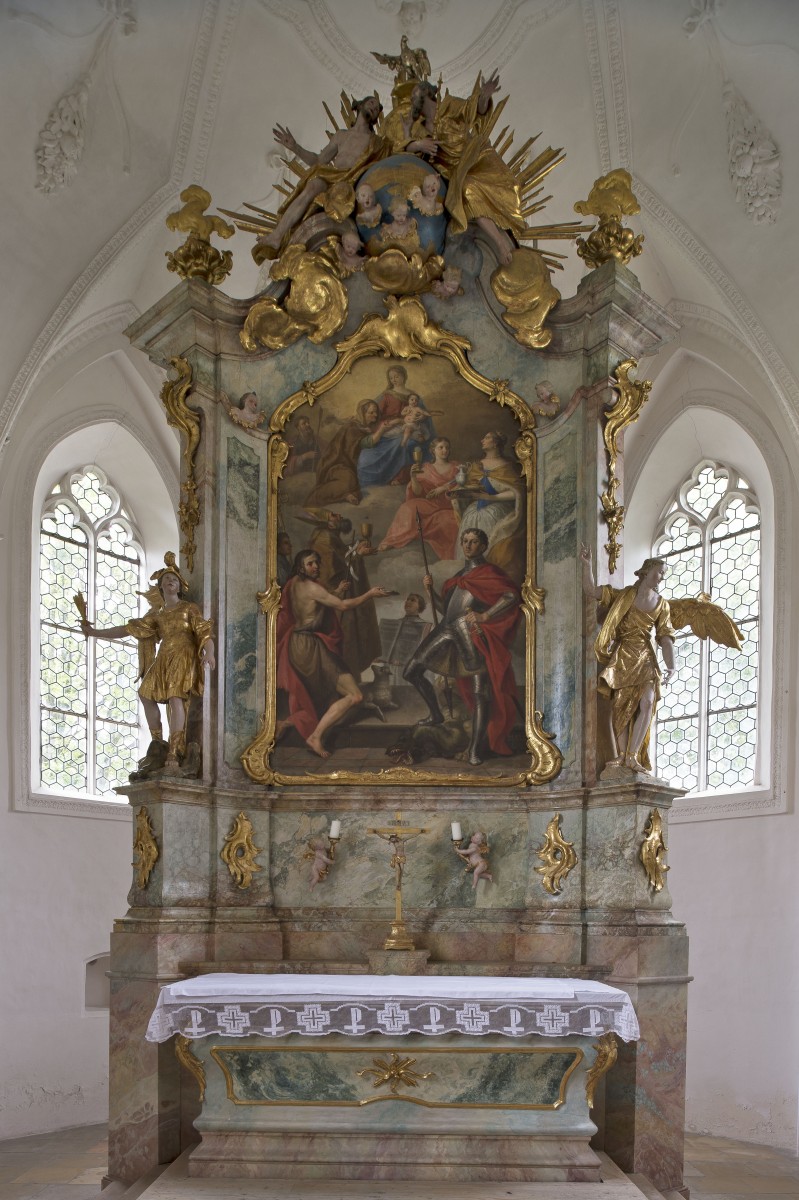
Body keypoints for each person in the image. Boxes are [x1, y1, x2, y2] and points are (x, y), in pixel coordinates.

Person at [80, 552, 215, 768]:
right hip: (164, 655)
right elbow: (128, 629)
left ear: (180, 587)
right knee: (145, 693)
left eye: (174, 580)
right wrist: (95, 632)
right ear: (160, 587)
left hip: (183, 653)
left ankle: (174, 749)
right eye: (166, 580)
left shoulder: (189, 608)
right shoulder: (157, 615)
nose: (170, 582)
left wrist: (209, 652)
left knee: (175, 696)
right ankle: (157, 743)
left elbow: (204, 633)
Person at [403, 527, 521, 765]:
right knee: (411, 671)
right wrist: (430, 591)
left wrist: (485, 616)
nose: (468, 546)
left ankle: (474, 750)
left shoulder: (489, 573)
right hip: (447, 628)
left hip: (470, 633)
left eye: (474, 542)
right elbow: (445, 611)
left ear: (483, 546)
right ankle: (436, 714)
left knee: (480, 692)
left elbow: (510, 596)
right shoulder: (457, 578)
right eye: (465, 541)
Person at [388, 74, 524, 265]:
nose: (411, 101)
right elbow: (402, 151)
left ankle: (503, 240)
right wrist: (416, 141)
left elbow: (472, 110)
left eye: (414, 95)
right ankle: (500, 244)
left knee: (475, 188)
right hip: (455, 172)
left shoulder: (449, 105)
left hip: (475, 159)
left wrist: (484, 96)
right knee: (467, 190)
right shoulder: (420, 128)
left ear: (426, 92)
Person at [276, 549, 390, 758]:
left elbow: (313, 606)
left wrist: (336, 590)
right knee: (354, 695)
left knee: (320, 698)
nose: (315, 567)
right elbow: (343, 606)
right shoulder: (311, 587)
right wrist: (370, 594)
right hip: (309, 647)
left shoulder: (293, 584)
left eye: (317, 562)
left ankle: (287, 723)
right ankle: (316, 736)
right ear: (301, 566)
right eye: (310, 563)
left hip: (297, 643)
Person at [580, 544, 676, 772]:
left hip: (645, 657)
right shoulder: (622, 596)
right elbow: (591, 591)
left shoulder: (662, 604)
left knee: (648, 702)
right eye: (660, 572)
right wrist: (586, 565)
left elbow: (665, 637)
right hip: (623, 657)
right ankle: (622, 756)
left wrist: (672, 666)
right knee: (620, 708)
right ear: (646, 571)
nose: (661, 577)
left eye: (663, 574)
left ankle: (633, 755)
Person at [260, 95, 386, 255]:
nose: (374, 108)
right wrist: (295, 147)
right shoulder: (342, 135)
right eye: (372, 103)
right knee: (313, 185)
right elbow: (319, 161)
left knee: (341, 190)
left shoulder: (374, 142)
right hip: (332, 176)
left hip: (353, 182)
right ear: (360, 106)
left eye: (377, 109)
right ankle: (276, 236)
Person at [304, 508, 382, 678]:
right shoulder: (323, 538)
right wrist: (357, 555)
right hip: (335, 598)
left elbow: (341, 554)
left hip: (340, 596)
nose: (339, 515)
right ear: (325, 520)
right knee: (344, 640)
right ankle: (344, 686)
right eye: (333, 515)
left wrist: (355, 549)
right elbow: (334, 567)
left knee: (348, 641)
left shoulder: (330, 535)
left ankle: (350, 685)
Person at [450, 430, 524, 581]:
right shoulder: (476, 466)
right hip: (473, 512)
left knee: (491, 550)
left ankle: (488, 578)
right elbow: (465, 486)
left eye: (487, 438)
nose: (482, 440)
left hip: (496, 512)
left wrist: (490, 497)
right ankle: (469, 577)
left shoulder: (507, 466)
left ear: (495, 443)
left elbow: (517, 493)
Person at [304, 399, 397, 507]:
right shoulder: (352, 428)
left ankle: (345, 495)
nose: (375, 415)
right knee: (349, 481)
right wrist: (381, 430)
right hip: (335, 464)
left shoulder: (363, 427)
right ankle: (313, 500)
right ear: (363, 413)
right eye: (371, 412)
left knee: (355, 485)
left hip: (348, 465)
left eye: (376, 412)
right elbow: (366, 443)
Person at [379, 436, 460, 558]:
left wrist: (444, 488)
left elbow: (462, 485)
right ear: (433, 450)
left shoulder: (456, 467)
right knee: (408, 507)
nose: (445, 450)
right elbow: (417, 492)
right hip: (431, 504)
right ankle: (393, 540)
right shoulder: (426, 468)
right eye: (441, 447)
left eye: (447, 448)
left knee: (449, 523)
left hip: (449, 505)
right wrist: (413, 477)